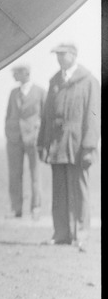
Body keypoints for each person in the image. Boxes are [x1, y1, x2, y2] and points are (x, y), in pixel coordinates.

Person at [36, 42, 100, 250]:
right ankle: (61, 233)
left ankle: (82, 234)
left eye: (63, 55)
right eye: (57, 55)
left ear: (74, 55)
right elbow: (46, 116)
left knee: (79, 191)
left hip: (78, 145)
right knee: (59, 191)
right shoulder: (54, 81)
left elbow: (94, 116)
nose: (59, 59)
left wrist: (89, 147)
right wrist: (43, 144)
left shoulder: (88, 81)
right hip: (57, 145)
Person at [4, 63, 45, 219]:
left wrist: (39, 135)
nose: (14, 76)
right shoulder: (13, 93)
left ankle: (36, 208)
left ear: (25, 73)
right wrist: (9, 132)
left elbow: (45, 115)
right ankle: (16, 208)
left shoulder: (40, 92)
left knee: (35, 175)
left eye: (16, 73)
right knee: (14, 174)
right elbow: (8, 115)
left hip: (33, 139)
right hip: (14, 139)